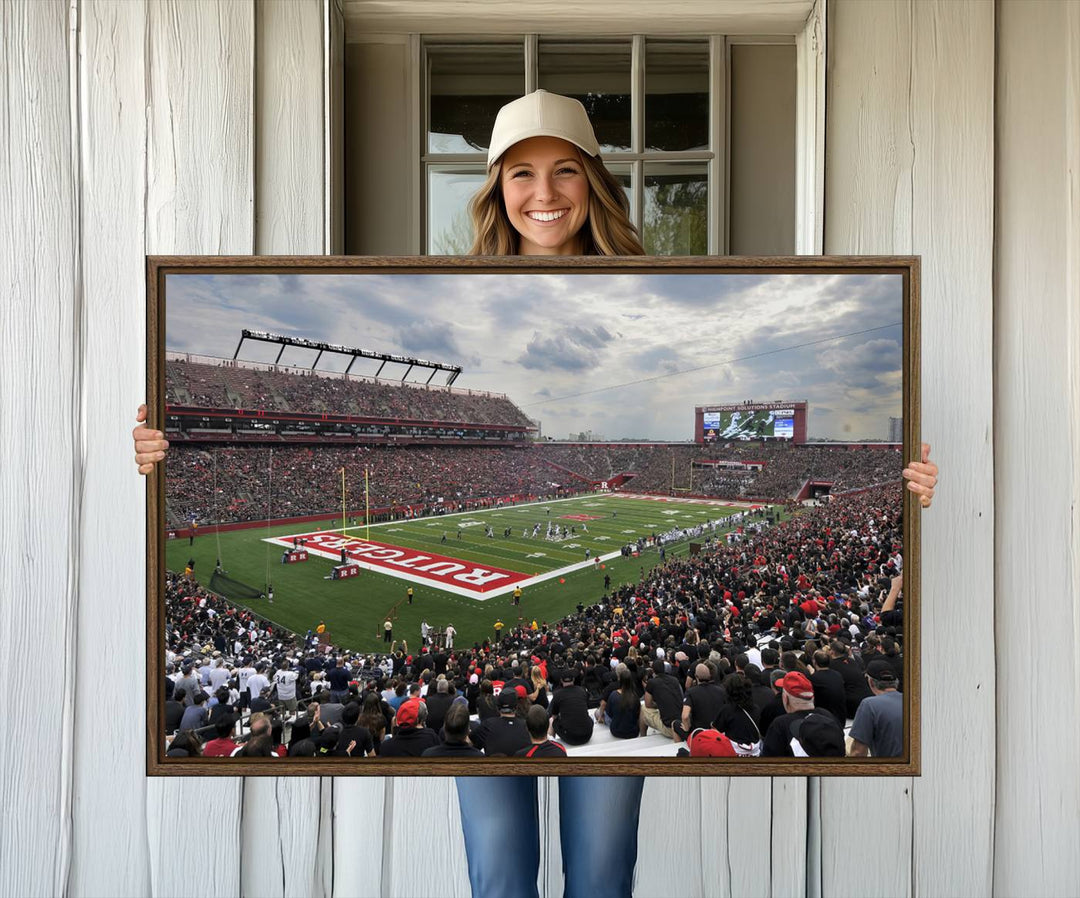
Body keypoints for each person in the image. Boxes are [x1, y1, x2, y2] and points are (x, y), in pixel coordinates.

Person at [132, 88, 938, 898]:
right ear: (495, 189)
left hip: (582, 697)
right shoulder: (449, 284)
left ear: (594, 181)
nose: (543, 193)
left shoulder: (650, 284)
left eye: (564, 172)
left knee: (599, 875)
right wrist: (159, 447)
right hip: (503, 710)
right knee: (499, 876)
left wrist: (907, 488)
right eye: (521, 173)